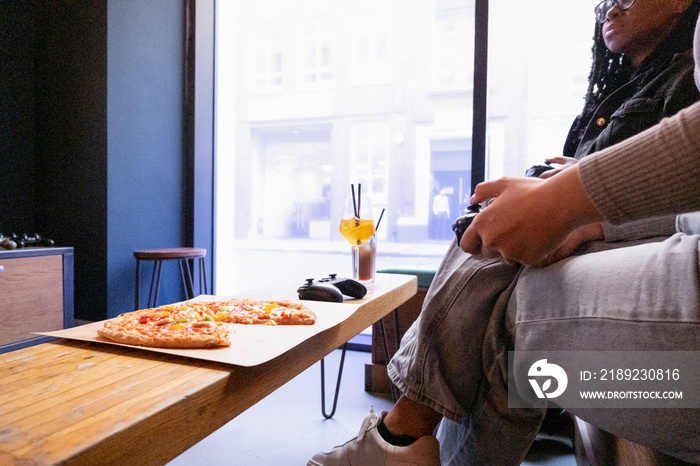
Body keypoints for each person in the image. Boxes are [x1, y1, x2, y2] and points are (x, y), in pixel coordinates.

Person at [308, 1, 700, 465]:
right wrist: (583, 207)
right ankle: (401, 440)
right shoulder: (628, 86)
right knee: (507, 344)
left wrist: (571, 205)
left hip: (680, 376)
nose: (611, 5)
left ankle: (399, 437)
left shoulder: (678, 78)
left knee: (501, 298)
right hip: (671, 353)